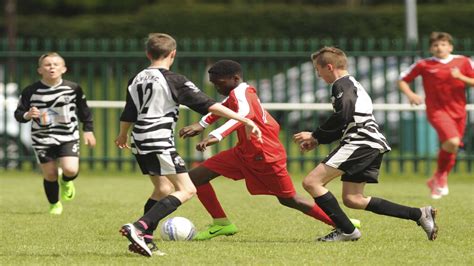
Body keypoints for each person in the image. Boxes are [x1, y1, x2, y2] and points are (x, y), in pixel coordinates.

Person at [115, 33, 262, 257]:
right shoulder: (174, 79)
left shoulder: (136, 78)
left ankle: (145, 240)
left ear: (148, 53)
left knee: (163, 188)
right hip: (158, 140)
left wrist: (122, 135)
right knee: (187, 189)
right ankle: (139, 227)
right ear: (173, 54)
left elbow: (129, 111)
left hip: (139, 139)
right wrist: (245, 120)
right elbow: (209, 104)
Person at [179, 59, 360, 241]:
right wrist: (201, 124)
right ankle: (221, 224)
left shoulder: (242, 94)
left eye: (219, 84)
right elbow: (224, 106)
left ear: (235, 78)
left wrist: (216, 135)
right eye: (214, 84)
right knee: (195, 177)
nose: (216, 88)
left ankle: (343, 224)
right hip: (243, 152)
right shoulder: (237, 91)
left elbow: (243, 115)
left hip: (264, 155)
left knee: (290, 199)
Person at [293, 46, 438, 242]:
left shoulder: (341, 84)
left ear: (329, 67)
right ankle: (419, 214)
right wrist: (318, 139)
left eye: (317, 70)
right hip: (370, 141)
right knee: (353, 199)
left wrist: (315, 133)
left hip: (360, 141)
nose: (318, 75)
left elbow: (343, 115)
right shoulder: (352, 83)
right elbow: (347, 118)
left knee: (312, 182)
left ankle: (347, 231)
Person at [14, 52, 96, 215]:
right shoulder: (30, 91)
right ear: (40, 70)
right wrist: (28, 115)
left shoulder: (73, 89)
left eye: (56, 64)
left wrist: (88, 130)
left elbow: (84, 111)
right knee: (50, 173)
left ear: (63, 69)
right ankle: (54, 204)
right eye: (47, 64)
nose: (52, 67)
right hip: (42, 138)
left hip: (68, 136)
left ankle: (66, 181)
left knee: (70, 170)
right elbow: (19, 114)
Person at [399, 32, 474, 199]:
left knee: (452, 147)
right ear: (431, 48)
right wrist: (410, 94)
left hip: (459, 112)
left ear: (450, 47)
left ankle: (437, 179)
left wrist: (460, 77)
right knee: (452, 142)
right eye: (435, 45)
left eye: (443, 44)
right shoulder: (424, 64)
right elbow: (402, 79)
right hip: (437, 111)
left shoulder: (462, 61)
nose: (439, 48)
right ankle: (440, 177)